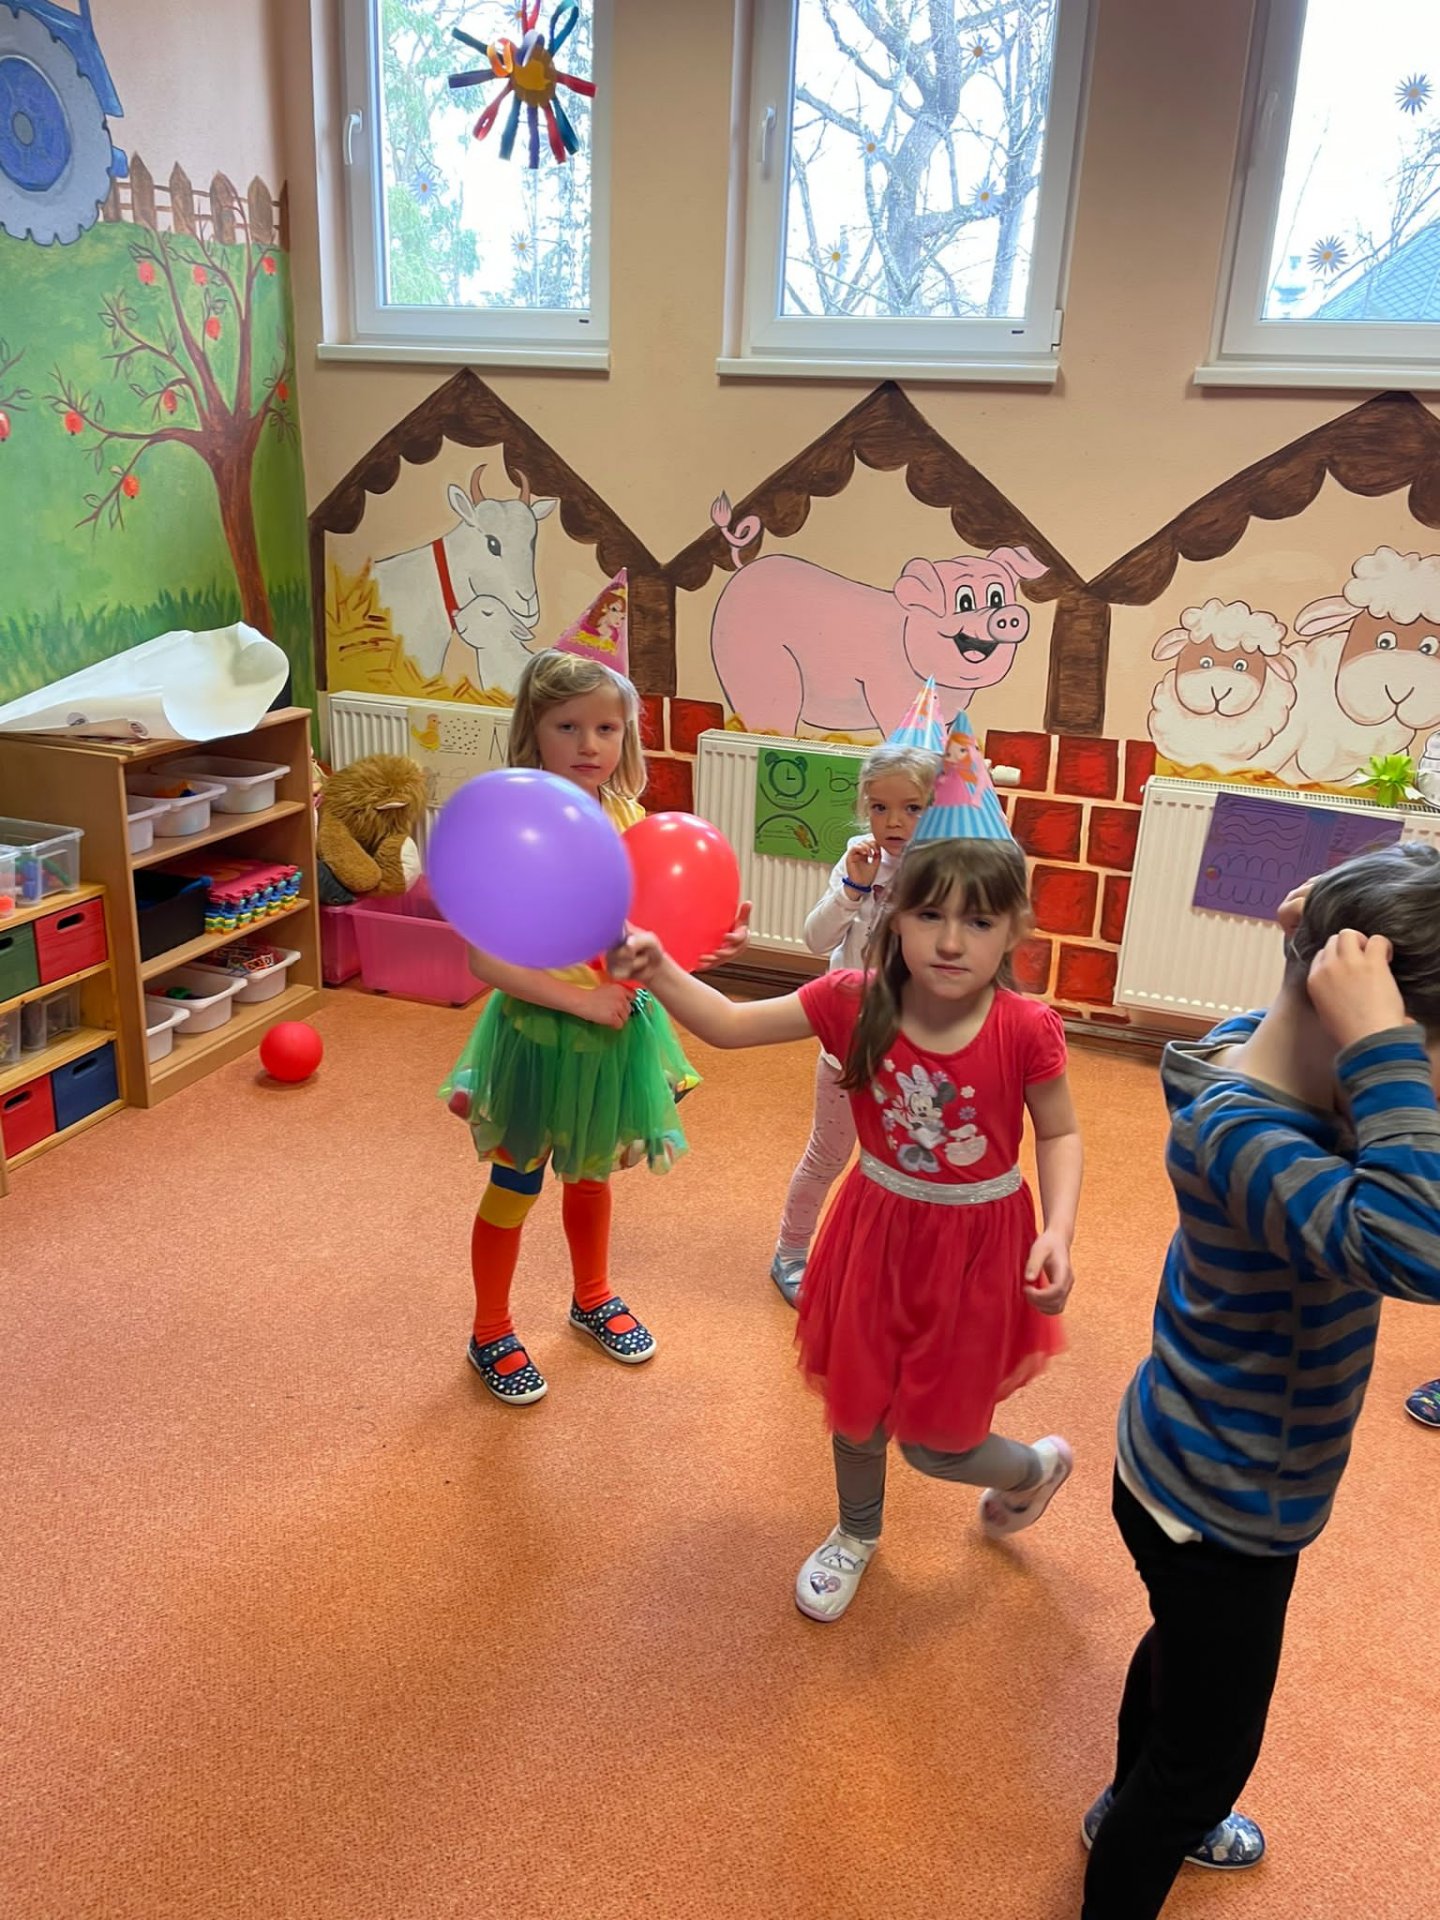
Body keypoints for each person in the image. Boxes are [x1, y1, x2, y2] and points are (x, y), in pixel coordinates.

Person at [1081, 843, 1440, 1919]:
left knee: (1178, 1657)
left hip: (1176, 1462)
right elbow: (1420, 1244)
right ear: (1353, 1029)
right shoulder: (1244, 1136)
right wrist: (1385, 1048)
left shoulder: (1240, 1055)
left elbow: (1295, 1031)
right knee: (1203, 1758)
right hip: (1227, 1508)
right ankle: (1153, 1821)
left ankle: (1129, 1797)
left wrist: (1319, 957)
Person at [616, 804, 1083, 1624]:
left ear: (1013, 931)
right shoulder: (852, 1000)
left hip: (976, 1252)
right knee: (858, 1409)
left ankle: (1032, 1470)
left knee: (939, 1447)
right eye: (929, 915)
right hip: (875, 1235)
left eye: (978, 921)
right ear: (895, 917)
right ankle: (856, 1532)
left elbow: (1060, 1130)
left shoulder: (1025, 1027)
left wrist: (1058, 1229)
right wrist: (657, 967)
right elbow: (729, 1025)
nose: (950, 942)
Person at [442, 649, 748, 1406]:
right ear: (533, 730)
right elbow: (484, 958)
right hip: (536, 1037)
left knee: (590, 1174)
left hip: (614, 1036)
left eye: (606, 728)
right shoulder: (518, 827)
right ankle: (490, 1330)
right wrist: (579, 1001)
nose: (589, 745)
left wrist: (700, 944)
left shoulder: (629, 821)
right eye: (567, 726)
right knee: (515, 1182)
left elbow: (642, 932)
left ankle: (592, 1295)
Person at [770, 740, 940, 1307]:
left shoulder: (943, 868)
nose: (893, 822)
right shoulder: (858, 859)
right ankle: (791, 1254)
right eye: (879, 807)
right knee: (827, 1156)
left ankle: (890, 1267)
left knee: (907, 1166)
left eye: (912, 808)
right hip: (850, 1045)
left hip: (915, 1051)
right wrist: (853, 889)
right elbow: (815, 940)